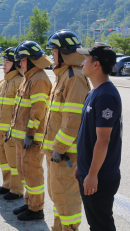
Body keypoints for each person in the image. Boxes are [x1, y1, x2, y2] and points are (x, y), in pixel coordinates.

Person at [42, 30, 91, 231]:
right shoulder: (62, 76)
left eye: (54, 51)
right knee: (58, 197)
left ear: (64, 52)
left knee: (67, 200)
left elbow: (72, 120)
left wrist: (60, 147)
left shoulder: (74, 78)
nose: (52, 55)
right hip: (57, 153)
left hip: (66, 154)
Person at [75, 43, 121, 231]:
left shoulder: (106, 96)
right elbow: (88, 135)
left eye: (86, 59)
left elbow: (103, 140)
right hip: (90, 171)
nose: (82, 62)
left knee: (102, 225)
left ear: (96, 65)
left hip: (101, 176)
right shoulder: (93, 92)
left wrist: (92, 174)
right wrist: (83, 166)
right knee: (96, 224)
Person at [9, 41, 53, 221]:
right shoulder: (29, 77)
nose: (20, 64)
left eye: (23, 60)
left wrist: (30, 133)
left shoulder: (39, 79)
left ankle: (36, 209)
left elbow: (38, 109)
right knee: (24, 171)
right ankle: (29, 203)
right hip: (22, 136)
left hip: (31, 138)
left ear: (33, 60)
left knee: (33, 173)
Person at [0, 47, 24, 199]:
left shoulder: (19, 81)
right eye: (4, 61)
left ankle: (16, 190)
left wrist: (13, 129)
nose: (4, 64)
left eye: (8, 62)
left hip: (11, 131)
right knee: (3, 160)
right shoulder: (3, 82)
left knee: (13, 161)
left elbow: (20, 109)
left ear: (15, 63)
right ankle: (7, 184)